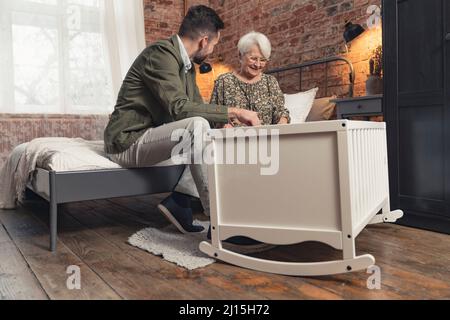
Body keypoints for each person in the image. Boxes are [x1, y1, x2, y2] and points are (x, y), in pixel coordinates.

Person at [104, 5, 261, 234]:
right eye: (215, 44)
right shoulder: (160, 55)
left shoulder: (187, 68)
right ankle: (221, 221)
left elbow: (197, 108)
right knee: (196, 127)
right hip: (126, 141)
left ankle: (180, 201)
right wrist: (236, 112)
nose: (212, 50)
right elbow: (180, 109)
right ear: (204, 41)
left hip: (148, 137)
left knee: (209, 132)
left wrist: (221, 125)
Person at [210, 31, 290, 126]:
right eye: (253, 58)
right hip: (234, 138)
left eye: (263, 60)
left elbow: (281, 112)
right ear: (240, 55)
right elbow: (212, 115)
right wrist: (223, 125)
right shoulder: (224, 81)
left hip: (266, 138)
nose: (258, 64)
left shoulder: (270, 82)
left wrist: (282, 123)